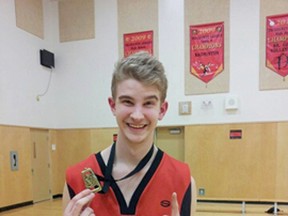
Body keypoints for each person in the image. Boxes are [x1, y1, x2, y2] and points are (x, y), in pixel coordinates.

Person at [63, 51, 197, 216]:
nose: (137, 115)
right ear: (113, 105)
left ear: (162, 110)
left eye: (148, 103)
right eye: (128, 101)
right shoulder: (76, 179)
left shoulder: (182, 180)